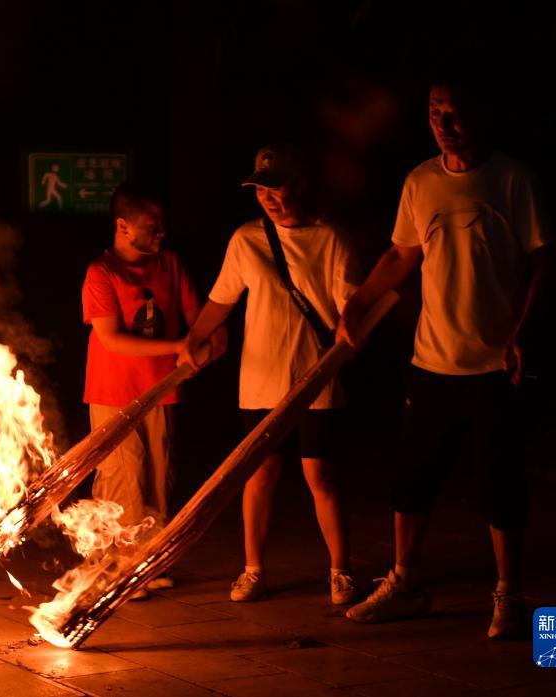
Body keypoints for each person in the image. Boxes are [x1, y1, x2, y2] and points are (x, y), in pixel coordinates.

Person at [337, 77, 551, 639]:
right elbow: (402, 253)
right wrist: (358, 302)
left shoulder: (512, 179)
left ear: (480, 114)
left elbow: (542, 260)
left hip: (495, 363)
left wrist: (524, 330)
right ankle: (405, 581)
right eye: (435, 112)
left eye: (454, 112)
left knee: (499, 480)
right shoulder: (421, 181)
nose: (444, 124)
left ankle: (509, 593)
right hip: (432, 360)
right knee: (412, 475)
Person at [179, 144, 363, 605]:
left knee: (320, 474)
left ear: (300, 184)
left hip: (316, 376)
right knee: (259, 473)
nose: (269, 197)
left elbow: (351, 304)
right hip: (260, 378)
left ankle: (340, 571)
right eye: (261, 189)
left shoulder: (330, 237)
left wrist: (350, 331)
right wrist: (194, 338)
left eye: (276, 187)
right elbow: (222, 298)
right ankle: (253, 569)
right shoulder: (246, 239)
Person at [82, 180, 200, 597]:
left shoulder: (169, 264)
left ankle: (147, 563)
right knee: (122, 477)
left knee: (158, 477)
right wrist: (178, 346)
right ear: (123, 226)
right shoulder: (102, 272)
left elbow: (198, 318)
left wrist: (205, 344)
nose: (162, 233)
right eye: (153, 226)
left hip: (161, 389)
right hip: (112, 391)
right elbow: (112, 338)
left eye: (162, 224)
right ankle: (116, 569)